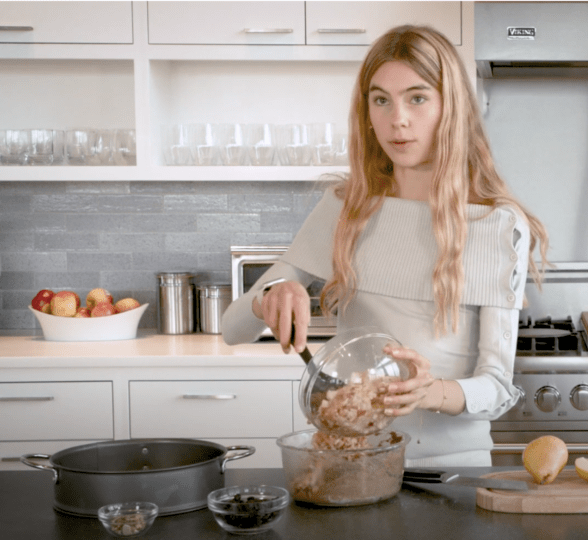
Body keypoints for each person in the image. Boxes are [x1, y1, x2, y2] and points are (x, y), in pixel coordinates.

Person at [222, 25, 549, 467]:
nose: (398, 120)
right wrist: (269, 296)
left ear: (450, 107)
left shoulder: (495, 223)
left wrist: (431, 392)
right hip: (353, 464)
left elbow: (496, 389)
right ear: (367, 111)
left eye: (417, 98)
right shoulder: (346, 207)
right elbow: (232, 328)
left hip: (451, 470)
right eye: (381, 100)